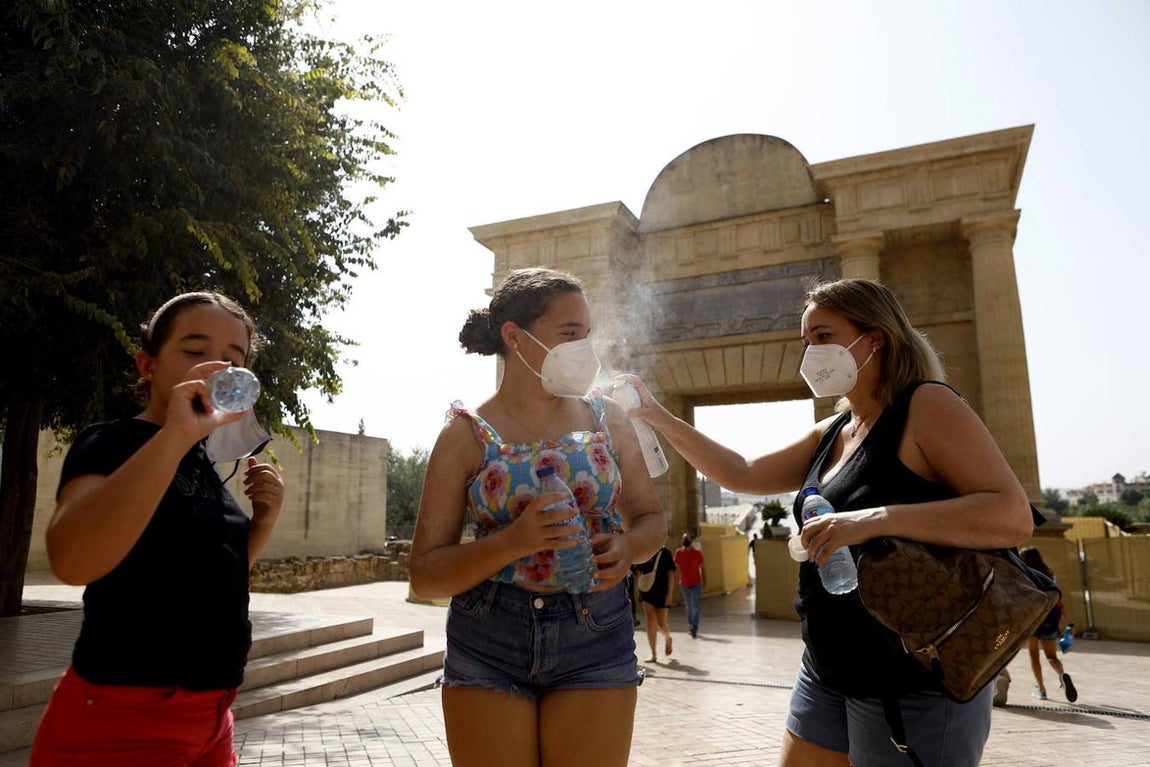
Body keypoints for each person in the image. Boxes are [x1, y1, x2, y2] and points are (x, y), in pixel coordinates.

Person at [622, 278, 1034, 767]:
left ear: (875, 338)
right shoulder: (834, 430)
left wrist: (871, 520)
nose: (810, 353)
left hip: (911, 677)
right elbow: (743, 473)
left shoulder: (926, 405)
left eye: (822, 336)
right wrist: (656, 416)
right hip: (828, 667)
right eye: (806, 341)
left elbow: (1011, 515)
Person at [409, 267, 666, 767]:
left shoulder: (608, 419)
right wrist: (512, 542)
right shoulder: (464, 436)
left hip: (595, 631)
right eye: (569, 334)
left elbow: (651, 521)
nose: (584, 350)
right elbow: (425, 575)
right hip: (489, 639)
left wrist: (627, 548)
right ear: (515, 337)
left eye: (587, 334)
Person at [30, 292, 285, 767]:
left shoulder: (202, 461)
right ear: (147, 365)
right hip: (122, 723)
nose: (216, 368)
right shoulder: (111, 443)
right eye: (195, 350)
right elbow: (72, 561)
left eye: (234, 360)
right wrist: (176, 434)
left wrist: (263, 523)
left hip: (213, 718)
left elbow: (209, 573)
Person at [1020, 547, 1077, 702]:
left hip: (1032, 620)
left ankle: (1041, 689)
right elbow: (1060, 603)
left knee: (1034, 655)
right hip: (1050, 620)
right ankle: (1062, 674)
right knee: (1051, 656)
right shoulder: (1050, 576)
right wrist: (1070, 623)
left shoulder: (1023, 576)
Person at [635, 544, 676, 663]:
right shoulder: (644, 551)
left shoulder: (665, 553)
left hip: (662, 592)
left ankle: (667, 638)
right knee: (650, 624)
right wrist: (640, 584)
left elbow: (671, 575)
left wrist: (670, 594)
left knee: (661, 624)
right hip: (647, 592)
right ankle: (653, 654)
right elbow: (637, 571)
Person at [673, 533, 705, 637]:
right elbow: (674, 567)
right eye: (684, 539)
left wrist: (704, 580)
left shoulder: (697, 553)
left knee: (695, 605)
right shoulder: (678, 553)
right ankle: (691, 625)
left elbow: (702, 568)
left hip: (696, 583)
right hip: (684, 584)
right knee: (689, 606)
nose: (685, 541)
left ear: (690, 540)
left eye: (686, 539)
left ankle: (694, 626)